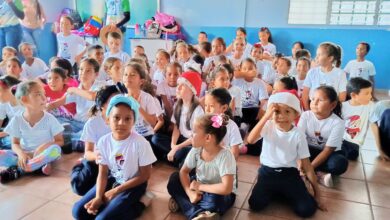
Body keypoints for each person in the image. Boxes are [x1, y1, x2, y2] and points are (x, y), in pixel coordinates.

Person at [72, 94, 156, 220]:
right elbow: (103, 172)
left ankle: (141, 203)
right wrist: (99, 197)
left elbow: (145, 175)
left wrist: (115, 191)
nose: (121, 123)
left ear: (134, 121)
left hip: (134, 185)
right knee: (78, 212)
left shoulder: (141, 143)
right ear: (107, 120)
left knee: (102, 219)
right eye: (116, 117)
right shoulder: (103, 142)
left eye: (128, 119)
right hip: (114, 180)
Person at [247, 92, 326, 218]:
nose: (281, 116)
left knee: (306, 210)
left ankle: (283, 192)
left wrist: (317, 193)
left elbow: (307, 165)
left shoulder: (298, 134)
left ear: (296, 115)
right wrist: (266, 116)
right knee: (255, 204)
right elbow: (250, 140)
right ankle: (281, 193)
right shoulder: (268, 126)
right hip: (267, 173)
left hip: (289, 174)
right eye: (277, 111)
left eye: (287, 112)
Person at [167, 114, 237, 219]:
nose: (191, 135)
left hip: (220, 192)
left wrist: (199, 187)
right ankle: (201, 213)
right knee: (174, 179)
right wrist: (189, 192)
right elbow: (184, 172)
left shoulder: (225, 156)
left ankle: (184, 204)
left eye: (194, 132)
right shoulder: (196, 150)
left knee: (215, 202)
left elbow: (226, 188)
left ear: (208, 138)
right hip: (199, 188)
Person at [0, 81, 64, 183]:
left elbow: (60, 141)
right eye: (38, 94)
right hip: (25, 153)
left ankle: (24, 167)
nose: (44, 98)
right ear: (24, 100)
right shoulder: (17, 119)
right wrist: (21, 154)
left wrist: (43, 147)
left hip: (43, 153)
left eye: (44, 94)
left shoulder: (49, 118)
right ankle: (35, 166)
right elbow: (15, 143)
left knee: (55, 149)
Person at [71, 85, 119, 196]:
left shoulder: (123, 120)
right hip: (96, 160)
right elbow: (88, 153)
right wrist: (97, 156)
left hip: (116, 161)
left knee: (110, 187)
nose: (117, 105)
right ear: (102, 105)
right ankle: (78, 166)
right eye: (113, 102)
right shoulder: (93, 123)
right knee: (79, 188)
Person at [298, 86, 348, 188]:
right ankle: (318, 175)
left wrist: (309, 168)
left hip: (327, 153)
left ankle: (308, 172)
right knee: (288, 149)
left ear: (333, 105)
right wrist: (299, 161)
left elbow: (328, 150)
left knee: (339, 164)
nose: (314, 103)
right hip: (307, 150)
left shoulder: (338, 123)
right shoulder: (306, 115)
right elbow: (299, 141)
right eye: (312, 99)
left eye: (320, 100)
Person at [152, 71, 204, 166]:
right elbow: (176, 128)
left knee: (187, 152)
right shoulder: (178, 105)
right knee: (155, 139)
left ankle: (173, 158)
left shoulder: (198, 110)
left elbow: (195, 137)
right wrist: (173, 145)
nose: (178, 88)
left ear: (192, 91)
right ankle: (177, 159)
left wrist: (177, 148)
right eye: (178, 84)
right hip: (180, 140)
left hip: (191, 143)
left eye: (183, 86)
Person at [302, 42, 347, 110]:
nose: (316, 57)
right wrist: (307, 111)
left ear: (330, 58)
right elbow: (305, 94)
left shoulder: (340, 73)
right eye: (317, 54)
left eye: (320, 54)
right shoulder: (312, 72)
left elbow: (342, 97)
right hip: (313, 108)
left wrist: (334, 111)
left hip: (332, 109)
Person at [122, 62, 160, 143]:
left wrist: (137, 106)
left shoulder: (147, 98)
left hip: (147, 137)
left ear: (141, 81)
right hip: (129, 137)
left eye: (132, 75)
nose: (128, 77)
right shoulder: (121, 99)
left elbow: (153, 123)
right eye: (125, 74)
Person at [341, 77, 375, 160]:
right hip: (340, 139)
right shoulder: (343, 106)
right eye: (367, 93)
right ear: (353, 95)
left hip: (354, 142)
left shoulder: (370, 106)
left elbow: (374, 124)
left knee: (352, 155)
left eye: (371, 93)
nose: (370, 96)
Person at [204, 88, 242, 160]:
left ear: (224, 108)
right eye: (205, 105)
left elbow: (235, 153)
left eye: (211, 106)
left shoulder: (232, 126)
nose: (207, 110)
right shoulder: (203, 122)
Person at [0, 75, 22, 149]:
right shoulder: (3, 102)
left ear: (10, 89)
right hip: (9, 132)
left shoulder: (23, 104)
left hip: (21, 134)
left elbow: (15, 130)